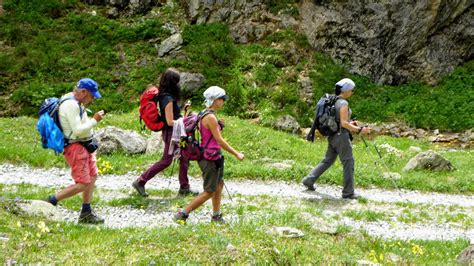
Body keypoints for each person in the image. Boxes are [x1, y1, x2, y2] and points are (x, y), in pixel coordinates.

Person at [174, 86, 244, 224]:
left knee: (219, 184)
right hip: (209, 158)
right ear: (215, 100)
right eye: (222, 98)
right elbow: (219, 140)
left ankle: (216, 215)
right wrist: (237, 153)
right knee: (210, 191)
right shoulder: (210, 117)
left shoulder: (204, 113)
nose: (224, 101)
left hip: (212, 156)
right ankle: (183, 213)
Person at [44, 78, 106, 224]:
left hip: (86, 145)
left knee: (92, 176)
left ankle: (86, 212)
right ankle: (51, 200)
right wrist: (95, 120)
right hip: (76, 147)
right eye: (92, 96)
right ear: (83, 92)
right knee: (83, 182)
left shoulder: (76, 101)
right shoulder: (71, 105)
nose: (92, 99)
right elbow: (77, 131)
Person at [132, 68, 197, 197]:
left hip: (177, 132)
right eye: (177, 81)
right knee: (166, 160)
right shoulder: (167, 99)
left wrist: (183, 110)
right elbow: (169, 121)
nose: (179, 84)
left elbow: (174, 115)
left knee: (184, 157)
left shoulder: (166, 96)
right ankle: (140, 181)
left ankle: (184, 187)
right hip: (172, 133)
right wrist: (185, 121)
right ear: (172, 83)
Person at [301, 78, 371, 199]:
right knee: (348, 162)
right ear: (346, 90)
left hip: (332, 136)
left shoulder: (333, 100)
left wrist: (351, 123)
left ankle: (309, 179)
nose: (352, 92)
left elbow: (338, 120)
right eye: (351, 90)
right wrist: (360, 130)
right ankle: (348, 193)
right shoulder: (343, 103)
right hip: (341, 137)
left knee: (328, 160)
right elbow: (343, 124)